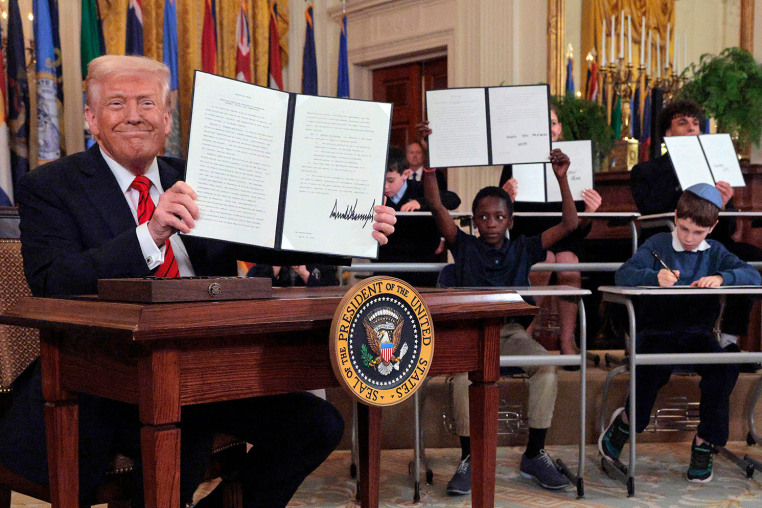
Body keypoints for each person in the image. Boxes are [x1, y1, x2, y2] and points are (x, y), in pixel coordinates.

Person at [0, 55, 397, 508]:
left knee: (317, 425)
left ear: (166, 118)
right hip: (105, 377)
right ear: (91, 118)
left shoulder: (200, 175)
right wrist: (148, 235)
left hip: (208, 371)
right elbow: (53, 282)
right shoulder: (51, 186)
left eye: (148, 103)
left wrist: (352, 228)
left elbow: (271, 238)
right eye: (116, 103)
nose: (134, 114)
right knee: (181, 432)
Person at [424, 147, 579, 493]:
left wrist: (562, 178)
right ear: (473, 221)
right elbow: (436, 205)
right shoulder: (462, 245)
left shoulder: (524, 247)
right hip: (470, 334)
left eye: (498, 217)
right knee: (464, 377)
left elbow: (571, 223)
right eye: (482, 217)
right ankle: (469, 457)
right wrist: (431, 164)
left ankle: (535, 453)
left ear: (510, 220)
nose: (490, 223)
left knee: (546, 366)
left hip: (509, 332)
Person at [601, 183, 761, 483]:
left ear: (712, 228)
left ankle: (704, 441)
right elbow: (623, 273)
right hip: (655, 333)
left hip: (697, 334)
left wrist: (721, 277)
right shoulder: (657, 244)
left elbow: (752, 274)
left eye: (698, 233)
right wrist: (653, 276)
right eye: (684, 228)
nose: (689, 239)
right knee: (653, 369)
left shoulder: (715, 253)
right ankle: (626, 422)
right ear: (676, 216)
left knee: (725, 365)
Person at [630, 99, 762, 354]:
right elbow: (649, 210)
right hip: (668, 242)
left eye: (696, 123)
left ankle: (729, 339)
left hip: (713, 245)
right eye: (683, 123)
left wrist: (722, 205)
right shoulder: (647, 170)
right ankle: (667, 343)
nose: (692, 128)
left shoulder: (715, 170)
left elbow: (731, 227)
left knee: (753, 259)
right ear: (668, 133)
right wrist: (686, 189)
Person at [500, 104, 602, 356]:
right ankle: (527, 332)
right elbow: (501, 214)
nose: (551, 128)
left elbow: (582, 226)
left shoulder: (575, 161)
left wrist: (590, 211)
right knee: (543, 261)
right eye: (545, 124)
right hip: (531, 234)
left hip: (567, 235)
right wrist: (505, 197)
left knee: (568, 265)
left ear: (560, 129)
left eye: (554, 123)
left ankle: (567, 340)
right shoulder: (516, 162)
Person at [375, 145, 459, 287]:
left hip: (422, 267)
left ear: (406, 174)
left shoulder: (420, 189)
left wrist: (423, 202)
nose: (385, 187)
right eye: (381, 180)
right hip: (386, 267)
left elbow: (454, 199)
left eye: (390, 181)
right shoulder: (377, 194)